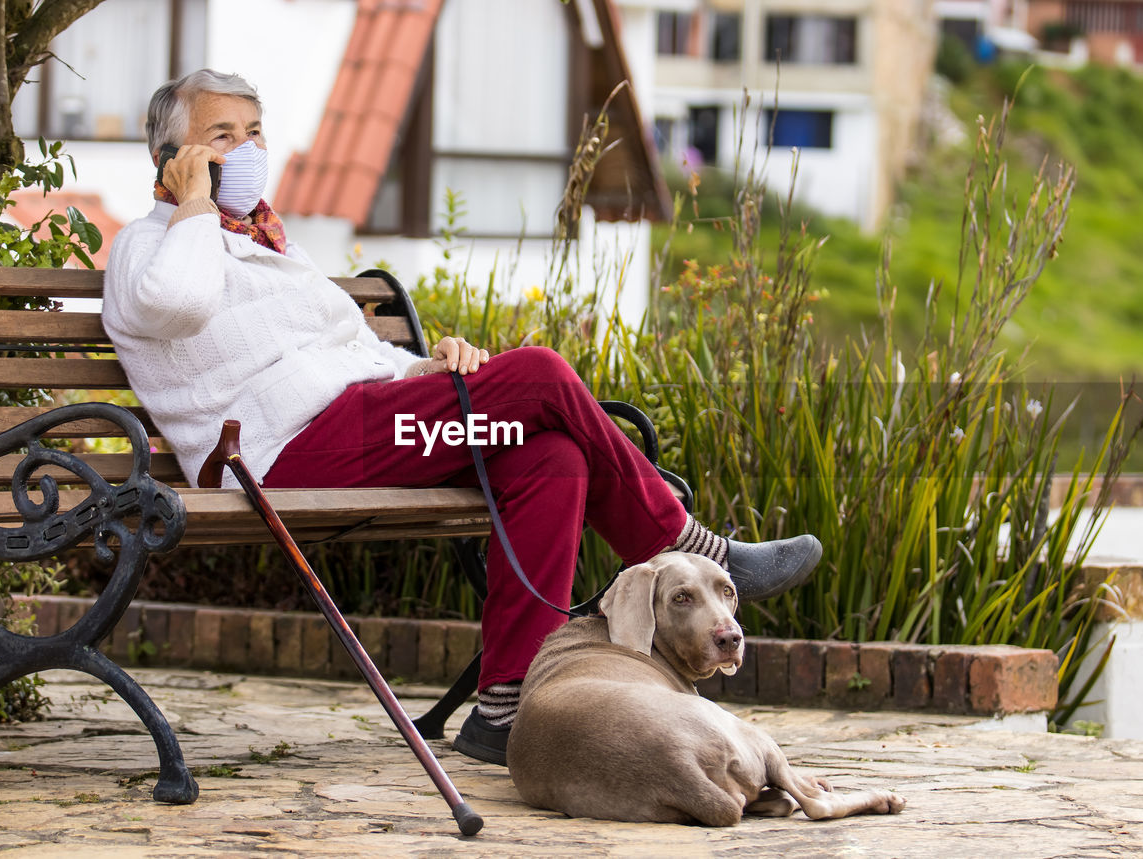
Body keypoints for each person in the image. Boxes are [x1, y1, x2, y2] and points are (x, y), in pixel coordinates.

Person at [104, 70, 823, 766]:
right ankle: (693, 546)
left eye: (256, 130)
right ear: (173, 157)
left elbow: (347, 356)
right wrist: (192, 203)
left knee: (550, 459)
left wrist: (424, 370)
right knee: (539, 372)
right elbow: (180, 304)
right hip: (272, 452)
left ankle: (509, 705)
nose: (247, 149)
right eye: (222, 135)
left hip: (364, 430)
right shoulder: (152, 244)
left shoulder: (273, 246)